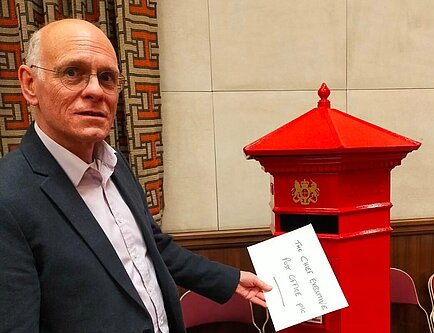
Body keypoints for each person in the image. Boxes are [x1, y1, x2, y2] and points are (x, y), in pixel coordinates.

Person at [0, 19, 271, 333]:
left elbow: (152, 246)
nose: (94, 91)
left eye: (107, 78)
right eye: (72, 73)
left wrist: (230, 279)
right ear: (30, 84)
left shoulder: (115, 164)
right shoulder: (9, 198)